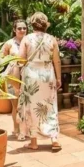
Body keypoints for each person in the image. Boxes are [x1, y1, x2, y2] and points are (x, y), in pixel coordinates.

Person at [17, 13, 62, 151]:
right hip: (47, 75)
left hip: (31, 76)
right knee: (50, 106)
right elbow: (57, 60)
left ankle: (34, 142)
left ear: (32, 24)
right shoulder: (52, 39)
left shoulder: (26, 39)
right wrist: (59, 78)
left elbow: (20, 60)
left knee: (32, 108)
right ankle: (54, 139)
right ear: (45, 24)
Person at [0, 19, 27, 140]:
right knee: (15, 104)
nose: (22, 30)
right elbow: (1, 58)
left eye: (24, 28)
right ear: (14, 30)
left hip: (27, 75)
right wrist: (12, 61)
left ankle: (26, 129)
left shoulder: (29, 41)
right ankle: (16, 129)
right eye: (19, 28)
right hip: (13, 75)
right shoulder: (9, 43)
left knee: (26, 104)